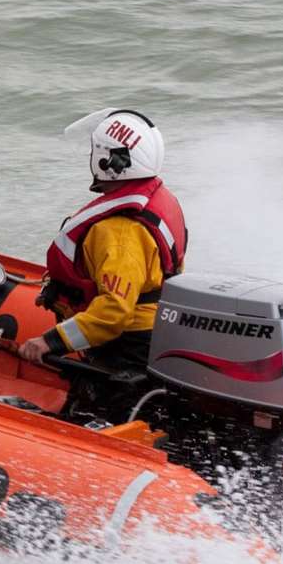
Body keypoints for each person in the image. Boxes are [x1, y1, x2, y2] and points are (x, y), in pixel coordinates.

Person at [18, 109, 188, 371]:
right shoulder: (158, 199)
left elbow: (114, 311)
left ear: (109, 161)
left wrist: (50, 342)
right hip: (158, 324)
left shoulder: (119, 232)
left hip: (129, 346)